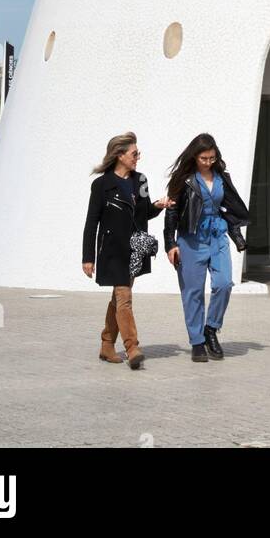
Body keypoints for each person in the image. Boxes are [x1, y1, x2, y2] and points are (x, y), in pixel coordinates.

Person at [82, 132, 171, 369]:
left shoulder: (140, 181)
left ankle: (107, 343)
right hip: (111, 251)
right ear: (119, 155)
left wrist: (158, 206)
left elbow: (144, 213)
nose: (137, 158)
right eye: (134, 154)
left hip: (134, 249)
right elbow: (92, 222)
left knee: (118, 298)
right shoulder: (101, 185)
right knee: (124, 298)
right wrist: (87, 257)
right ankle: (132, 348)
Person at [164, 133, 250, 362]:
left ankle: (211, 329)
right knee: (193, 293)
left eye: (212, 158)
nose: (208, 162)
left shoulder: (222, 177)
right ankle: (197, 342)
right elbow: (171, 212)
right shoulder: (183, 179)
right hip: (191, 239)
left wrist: (236, 234)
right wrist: (170, 244)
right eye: (204, 158)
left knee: (224, 283)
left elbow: (230, 208)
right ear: (194, 156)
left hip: (218, 237)